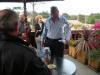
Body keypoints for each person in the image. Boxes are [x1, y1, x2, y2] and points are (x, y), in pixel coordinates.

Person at [0, 9, 51, 75]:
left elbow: (29, 30)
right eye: (21, 17)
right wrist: (35, 56)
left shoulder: (27, 24)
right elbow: (45, 73)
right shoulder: (26, 54)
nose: (22, 18)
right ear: (16, 26)